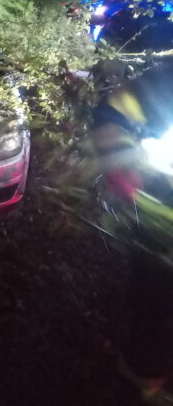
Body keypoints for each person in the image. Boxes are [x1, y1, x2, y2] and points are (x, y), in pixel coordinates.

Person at [91, 63, 173, 402]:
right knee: (154, 294)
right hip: (161, 214)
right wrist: (121, 167)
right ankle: (142, 372)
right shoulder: (165, 80)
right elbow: (112, 112)